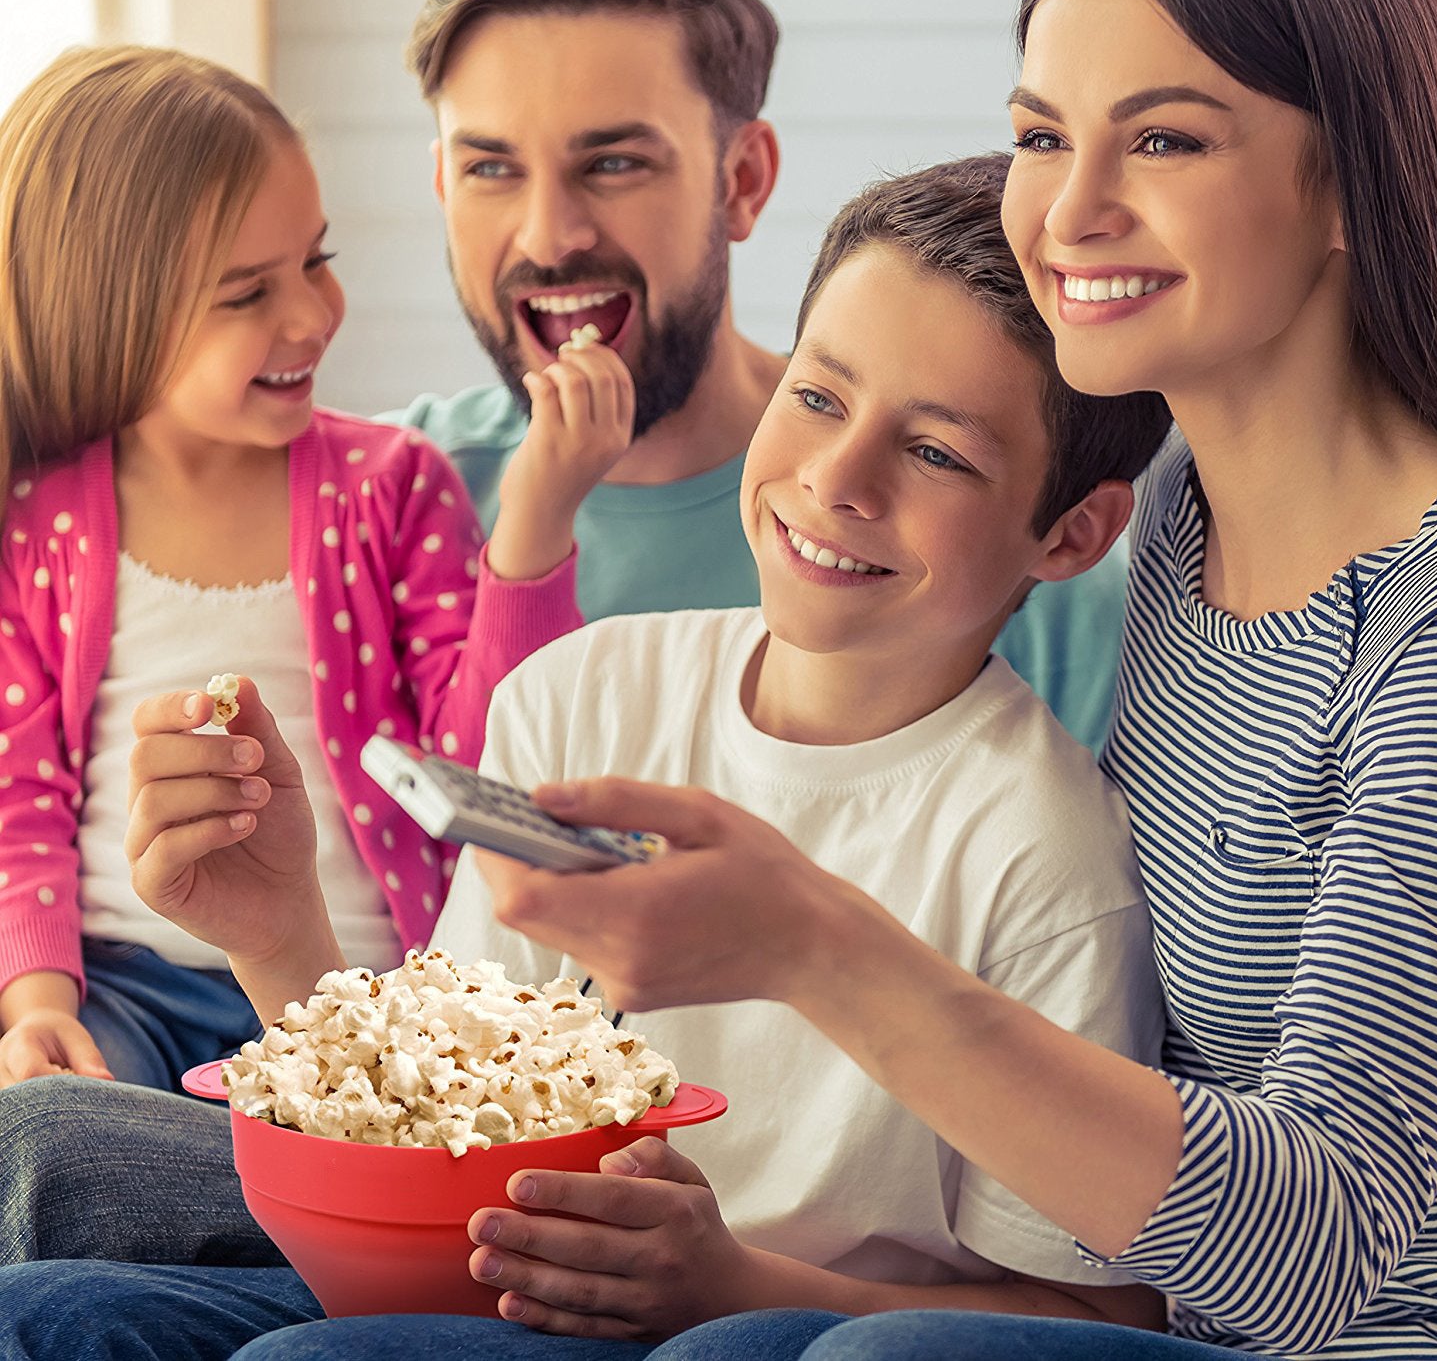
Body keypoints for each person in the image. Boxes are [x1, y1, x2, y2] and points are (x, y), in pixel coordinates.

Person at [365, 0, 1437, 1358]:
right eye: (1042, 136)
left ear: (1352, 178)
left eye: (1163, 138)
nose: (1071, 212)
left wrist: (817, 947)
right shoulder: (1184, 524)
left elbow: (1313, 1249)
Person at [0, 154, 1172, 1358]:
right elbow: (438, 1130)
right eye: (819, 396)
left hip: (742, 1331)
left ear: (1072, 531)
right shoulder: (580, 693)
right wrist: (276, 930)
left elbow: (1093, 1317)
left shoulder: (1046, 857)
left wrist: (729, 1285)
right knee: (41, 1310)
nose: (836, 479)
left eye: (936, 454)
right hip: (480, 1268)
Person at [0, 45, 613, 1096]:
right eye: (247, 294)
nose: (313, 315)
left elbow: (486, 774)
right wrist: (38, 1004)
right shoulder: (39, 522)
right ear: (107, 313)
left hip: (354, 996)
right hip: (119, 995)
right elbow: (19, 796)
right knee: (50, 1131)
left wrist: (536, 521)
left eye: (316, 260)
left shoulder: (390, 486)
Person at [384, 0, 1130, 756]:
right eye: (490, 168)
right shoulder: (377, 502)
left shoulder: (1011, 544)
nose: (549, 238)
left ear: (742, 180)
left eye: (615, 164)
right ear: (442, 186)